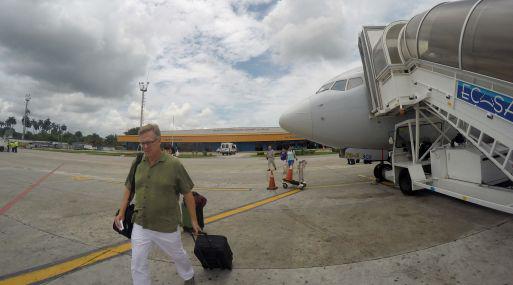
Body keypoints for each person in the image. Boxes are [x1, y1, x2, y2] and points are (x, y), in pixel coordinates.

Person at [114, 124, 199, 285]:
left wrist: (193, 220)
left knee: (178, 255)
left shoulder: (174, 165)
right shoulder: (138, 162)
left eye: (149, 142)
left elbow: (187, 193)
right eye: (142, 143)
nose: (145, 147)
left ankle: (188, 275)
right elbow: (129, 187)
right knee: (137, 262)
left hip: (166, 225)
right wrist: (122, 212)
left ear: (159, 140)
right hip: (141, 222)